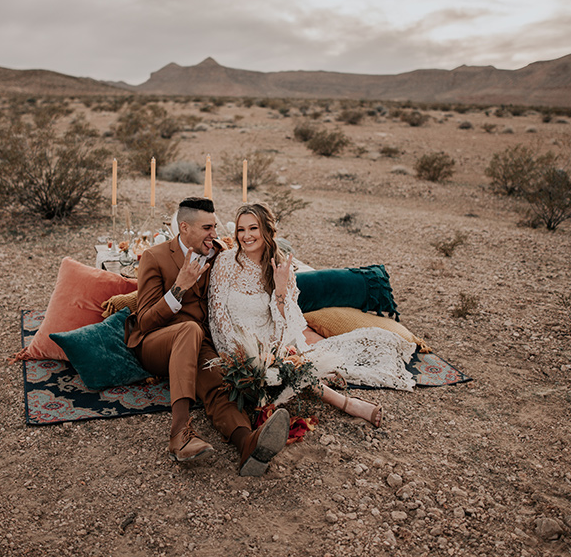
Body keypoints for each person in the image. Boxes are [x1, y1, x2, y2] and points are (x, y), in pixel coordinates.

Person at [208, 203, 418, 427]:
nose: (246, 236)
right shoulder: (226, 262)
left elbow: (286, 322)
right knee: (278, 372)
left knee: (287, 367)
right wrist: (237, 351)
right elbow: (217, 314)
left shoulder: (280, 268)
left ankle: (344, 400)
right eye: (241, 229)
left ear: (267, 231)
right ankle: (344, 400)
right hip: (234, 344)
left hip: (271, 340)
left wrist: (279, 291)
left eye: (253, 228)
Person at [125, 197, 291, 476]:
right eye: (207, 228)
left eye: (214, 226)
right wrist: (179, 287)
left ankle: (247, 443)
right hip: (156, 343)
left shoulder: (217, 254)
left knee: (218, 381)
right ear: (184, 228)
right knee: (189, 329)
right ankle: (179, 432)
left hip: (199, 343)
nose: (214, 234)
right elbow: (145, 321)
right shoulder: (155, 257)